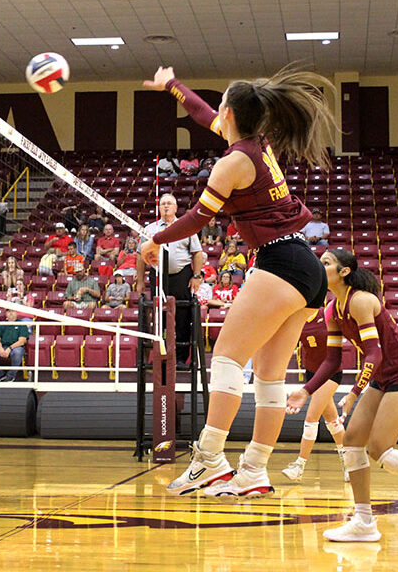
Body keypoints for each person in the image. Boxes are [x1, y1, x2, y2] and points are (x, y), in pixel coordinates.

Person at [141, 64, 333, 498]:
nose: (215, 114)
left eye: (220, 109)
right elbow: (201, 110)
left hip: (280, 261)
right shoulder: (253, 143)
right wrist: (172, 85)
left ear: (229, 112)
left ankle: (209, 458)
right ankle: (254, 470)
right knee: (268, 377)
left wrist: (156, 239)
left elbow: (197, 218)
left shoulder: (231, 163)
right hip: (306, 265)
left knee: (226, 360)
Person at [287, 248, 398, 542]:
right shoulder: (332, 308)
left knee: (380, 448)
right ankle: (363, 521)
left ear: (344, 271)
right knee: (352, 443)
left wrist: (355, 391)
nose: (321, 267)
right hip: (383, 378)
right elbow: (332, 361)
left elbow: (374, 353)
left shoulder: (361, 301)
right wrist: (305, 391)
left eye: (327, 263)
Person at [282, 305, 348, 483]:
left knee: (311, 417)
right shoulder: (298, 319)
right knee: (333, 422)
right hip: (311, 373)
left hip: (331, 372)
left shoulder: (326, 314)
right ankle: (351, 463)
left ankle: (299, 465)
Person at [138, 193, 206, 365]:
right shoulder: (150, 229)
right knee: (159, 318)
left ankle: (181, 359)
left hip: (182, 275)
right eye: (163, 204)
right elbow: (140, 256)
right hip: (158, 276)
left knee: (183, 317)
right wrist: (140, 281)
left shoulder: (186, 227)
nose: (166, 206)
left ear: (176, 207)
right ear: (159, 208)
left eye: (169, 203)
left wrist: (196, 276)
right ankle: (159, 358)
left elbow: (197, 253)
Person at [0, 307, 30, 382]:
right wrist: (0, 349)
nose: (11, 313)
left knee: (17, 352)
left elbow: (22, 341)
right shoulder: (2, 324)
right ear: (6, 313)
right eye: (9, 311)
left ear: (17, 313)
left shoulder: (22, 324)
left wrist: (9, 348)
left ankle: (11, 376)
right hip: (2, 346)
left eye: (13, 311)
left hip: (16, 347)